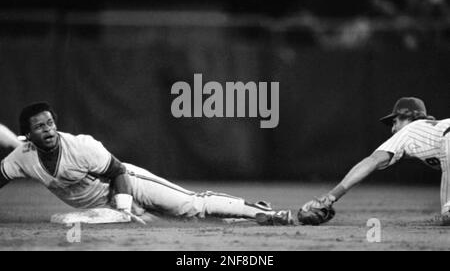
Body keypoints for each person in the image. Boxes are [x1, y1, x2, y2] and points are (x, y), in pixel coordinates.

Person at [0, 102, 293, 225]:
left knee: (190, 206)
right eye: (40, 127)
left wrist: (123, 209)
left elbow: (117, 172)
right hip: (104, 207)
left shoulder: (81, 146)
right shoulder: (22, 158)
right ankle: (244, 218)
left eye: (51, 123)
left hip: (130, 185)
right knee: (188, 220)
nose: (49, 130)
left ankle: (262, 210)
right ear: (28, 133)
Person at [298, 97, 450, 225]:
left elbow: (371, 162)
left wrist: (331, 196)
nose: (392, 129)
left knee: (447, 215)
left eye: (394, 121)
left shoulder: (408, 130)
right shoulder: (429, 132)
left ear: (408, 118)